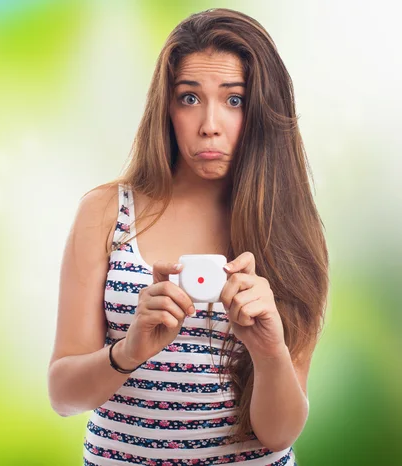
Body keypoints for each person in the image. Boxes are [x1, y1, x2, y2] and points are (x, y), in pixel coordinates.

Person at [48, 8, 329, 466]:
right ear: (167, 107)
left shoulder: (291, 228)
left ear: (262, 109)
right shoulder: (106, 213)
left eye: (234, 100)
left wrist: (269, 350)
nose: (209, 125)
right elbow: (63, 395)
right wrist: (129, 350)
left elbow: (278, 434)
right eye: (189, 98)